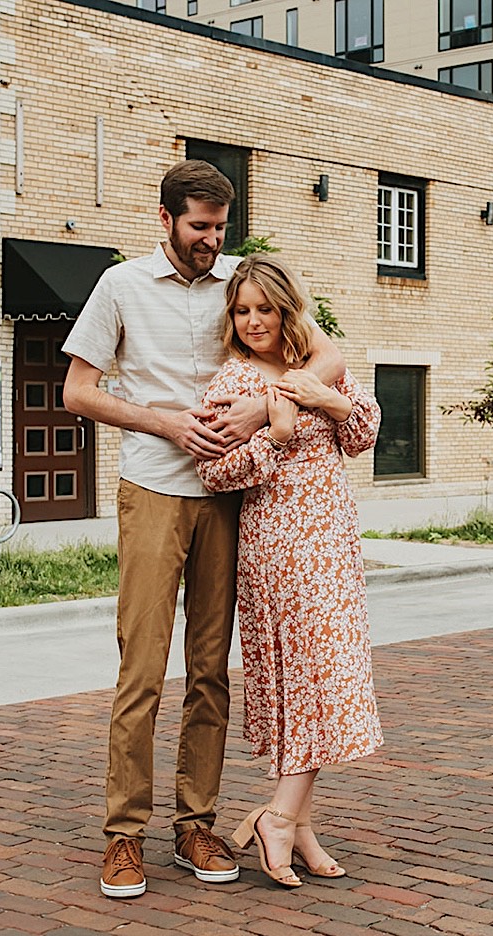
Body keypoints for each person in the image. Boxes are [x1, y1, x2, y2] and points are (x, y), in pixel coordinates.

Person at [61, 160, 344, 899]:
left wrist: (266, 405)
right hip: (154, 487)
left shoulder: (240, 285)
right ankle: (124, 836)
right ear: (165, 219)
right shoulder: (120, 286)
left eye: (219, 229)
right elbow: (77, 391)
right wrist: (163, 422)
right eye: (198, 229)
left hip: (233, 499)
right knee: (143, 669)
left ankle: (196, 824)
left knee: (212, 671)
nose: (209, 243)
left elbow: (329, 353)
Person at [196, 255, 383, 889]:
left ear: (287, 311)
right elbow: (214, 473)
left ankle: (295, 822)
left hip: (332, 539)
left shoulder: (315, 367)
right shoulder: (231, 383)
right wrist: (272, 439)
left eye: (264, 310)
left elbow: (362, 437)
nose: (252, 322)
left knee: (325, 675)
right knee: (307, 676)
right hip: (279, 545)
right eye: (241, 310)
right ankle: (280, 818)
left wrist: (327, 398)